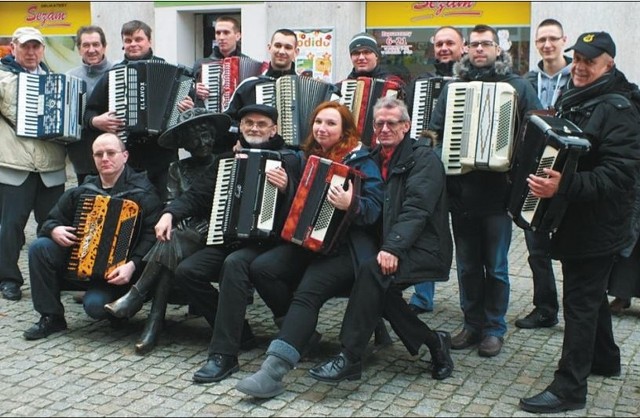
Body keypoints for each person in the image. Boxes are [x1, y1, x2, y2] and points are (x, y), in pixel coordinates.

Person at [520, 31, 640, 414]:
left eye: (590, 61)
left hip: (599, 223)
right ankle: (605, 358)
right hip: (576, 218)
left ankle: (570, 388)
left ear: (610, 64)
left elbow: (620, 175)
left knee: (580, 301)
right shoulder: (576, 97)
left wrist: (564, 185)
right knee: (589, 297)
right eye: (578, 59)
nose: (580, 66)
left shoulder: (619, 109)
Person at [235, 101, 383, 399]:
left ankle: (273, 371)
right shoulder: (307, 156)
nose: (322, 128)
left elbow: (375, 210)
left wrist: (350, 204)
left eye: (330, 123)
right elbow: (291, 181)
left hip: (347, 249)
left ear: (344, 130)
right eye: (318, 122)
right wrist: (252, 160)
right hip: (310, 243)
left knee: (308, 291)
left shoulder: (361, 160)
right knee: (263, 268)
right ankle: (302, 334)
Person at [307, 97, 454, 386]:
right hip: (391, 245)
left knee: (372, 274)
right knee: (376, 284)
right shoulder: (373, 157)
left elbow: (417, 210)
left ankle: (349, 356)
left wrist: (392, 248)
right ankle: (434, 342)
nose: (384, 128)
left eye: (392, 123)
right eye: (379, 123)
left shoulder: (424, 159)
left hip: (423, 247)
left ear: (406, 126)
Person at [429, 24, 542, 357]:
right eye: (475, 44)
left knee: (496, 265)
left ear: (498, 48)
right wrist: (442, 158)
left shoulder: (518, 86)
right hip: (462, 192)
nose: (480, 49)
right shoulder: (453, 89)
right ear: (467, 49)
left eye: (486, 44)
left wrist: (518, 168)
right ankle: (472, 324)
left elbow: (537, 132)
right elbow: (434, 132)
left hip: (499, 192)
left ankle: (494, 328)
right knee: (465, 265)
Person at [181, 104, 303, 383]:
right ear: (242, 127)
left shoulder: (290, 160)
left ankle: (223, 355)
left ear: (274, 129)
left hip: (269, 245)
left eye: (262, 124)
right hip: (230, 238)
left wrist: (287, 187)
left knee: (234, 265)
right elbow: (197, 196)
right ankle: (241, 332)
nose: (255, 128)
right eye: (249, 123)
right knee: (188, 271)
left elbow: (302, 206)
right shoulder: (226, 160)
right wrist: (168, 213)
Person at [104, 108, 234, 354]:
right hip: (182, 235)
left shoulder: (224, 164)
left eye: (207, 135)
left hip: (214, 232)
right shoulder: (177, 168)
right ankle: (151, 323)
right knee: (171, 242)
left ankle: (140, 303)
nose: (202, 142)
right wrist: (175, 221)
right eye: (195, 138)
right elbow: (171, 205)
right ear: (184, 142)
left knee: (171, 242)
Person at [23, 133, 162, 340]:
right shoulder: (84, 190)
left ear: (125, 156)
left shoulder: (144, 192)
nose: (104, 158)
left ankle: (122, 308)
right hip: (79, 267)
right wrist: (54, 229)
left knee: (95, 308)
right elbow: (49, 221)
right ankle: (51, 317)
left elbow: (153, 237)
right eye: (99, 154)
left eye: (111, 153)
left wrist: (132, 264)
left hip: (121, 274)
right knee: (40, 248)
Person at [0, 27, 66, 301]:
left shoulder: (57, 81)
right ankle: (8, 279)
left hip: (51, 165)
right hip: (15, 163)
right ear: (13, 47)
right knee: (11, 226)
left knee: (52, 225)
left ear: (43, 50)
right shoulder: (3, 77)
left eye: (36, 47)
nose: (30, 52)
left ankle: (52, 275)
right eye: (25, 46)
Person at [515, 19, 572, 329]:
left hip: (570, 173)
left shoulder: (578, 78)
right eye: (542, 40)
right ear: (536, 44)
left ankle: (582, 309)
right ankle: (545, 308)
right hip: (535, 170)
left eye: (553, 39)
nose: (547, 45)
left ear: (564, 40)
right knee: (536, 246)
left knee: (576, 246)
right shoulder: (526, 81)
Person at [405, 25, 465, 315]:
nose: (444, 48)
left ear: (462, 47)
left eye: (449, 43)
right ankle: (422, 296)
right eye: (439, 43)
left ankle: (471, 301)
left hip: (464, 168)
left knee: (465, 237)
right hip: (429, 164)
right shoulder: (421, 83)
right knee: (425, 227)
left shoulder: (471, 81)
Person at [84, 20, 179, 200]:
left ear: (149, 41)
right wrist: (96, 121)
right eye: (128, 40)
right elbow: (90, 112)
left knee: (163, 207)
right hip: (128, 155)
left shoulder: (173, 72)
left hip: (163, 156)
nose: (133, 44)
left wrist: (185, 106)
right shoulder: (113, 75)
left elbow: (187, 114)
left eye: (138, 39)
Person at [66, 25, 113, 185]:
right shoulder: (69, 78)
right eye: (86, 45)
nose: (91, 50)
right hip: (83, 157)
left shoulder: (118, 71)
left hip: (116, 157)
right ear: (79, 49)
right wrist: (93, 122)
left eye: (96, 44)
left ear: (104, 47)